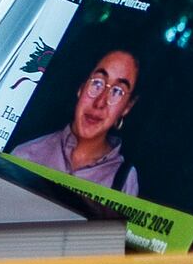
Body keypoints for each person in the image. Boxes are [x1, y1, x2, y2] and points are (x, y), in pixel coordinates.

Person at [14, 48, 141, 195]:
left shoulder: (123, 179)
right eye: (97, 83)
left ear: (127, 107)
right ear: (81, 87)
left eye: (118, 91)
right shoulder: (27, 154)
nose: (100, 102)